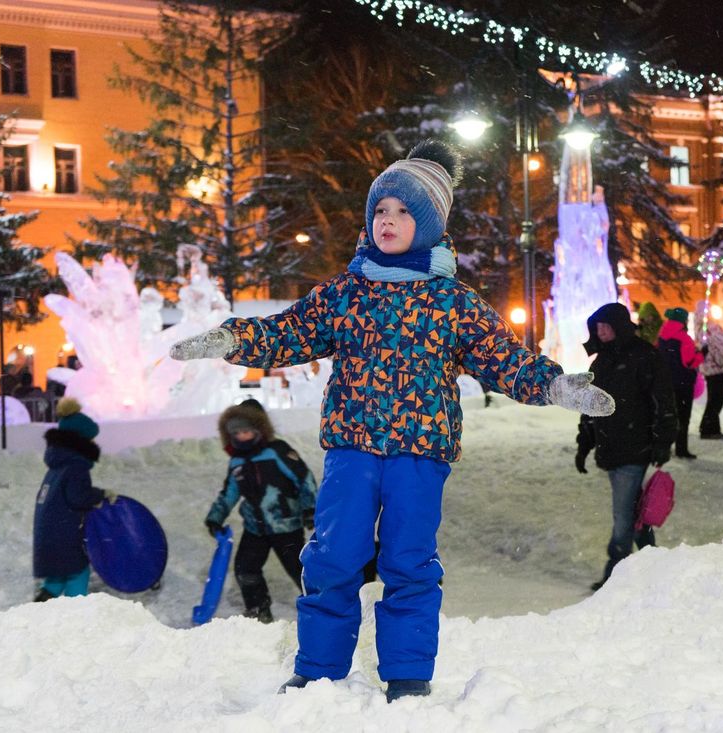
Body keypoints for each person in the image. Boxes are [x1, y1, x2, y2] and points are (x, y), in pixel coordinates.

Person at [168, 139, 613, 703]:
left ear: (428, 223)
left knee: (408, 561)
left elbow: (503, 358)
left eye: (404, 211)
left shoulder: (453, 301)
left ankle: (407, 676)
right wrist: (234, 337)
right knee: (333, 555)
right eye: (381, 209)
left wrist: (553, 384)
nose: (388, 220)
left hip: (421, 452)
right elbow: (288, 331)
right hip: (353, 447)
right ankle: (318, 669)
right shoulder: (347, 293)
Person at [575, 303, 676, 591]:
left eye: (605, 326)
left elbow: (663, 402)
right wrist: (584, 444)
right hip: (611, 446)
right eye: (597, 328)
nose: (600, 332)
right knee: (635, 512)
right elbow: (589, 406)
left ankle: (615, 572)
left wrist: (662, 442)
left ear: (618, 326)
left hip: (635, 447)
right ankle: (651, 564)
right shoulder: (602, 362)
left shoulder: (645, 356)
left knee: (623, 514)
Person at [205, 398, 317, 623]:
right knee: (245, 568)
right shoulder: (237, 461)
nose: (242, 437)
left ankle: (318, 605)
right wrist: (215, 517)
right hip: (255, 527)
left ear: (260, 429)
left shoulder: (277, 451)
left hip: (285, 524)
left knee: (299, 569)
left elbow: (305, 480)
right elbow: (229, 493)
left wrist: (310, 509)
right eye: (237, 433)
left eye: (247, 431)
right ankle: (258, 609)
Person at [33, 398, 116, 601]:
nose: (94, 443)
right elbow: (78, 497)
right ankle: (75, 616)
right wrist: (101, 495)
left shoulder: (58, 464)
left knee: (55, 581)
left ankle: (37, 615)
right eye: (90, 439)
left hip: (49, 535)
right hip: (64, 535)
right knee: (79, 573)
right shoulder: (76, 465)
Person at [657, 307, 703, 459]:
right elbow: (689, 362)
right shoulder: (684, 338)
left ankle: (664, 447)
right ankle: (681, 449)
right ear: (683, 321)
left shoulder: (662, 336)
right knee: (683, 418)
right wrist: (701, 355)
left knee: (669, 416)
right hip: (683, 383)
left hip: (666, 382)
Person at [698, 321, 723, 439]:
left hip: (712, 373)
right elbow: (720, 358)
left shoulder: (707, 336)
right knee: (716, 401)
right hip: (717, 373)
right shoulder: (716, 338)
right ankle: (707, 429)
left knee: (714, 401)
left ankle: (712, 429)